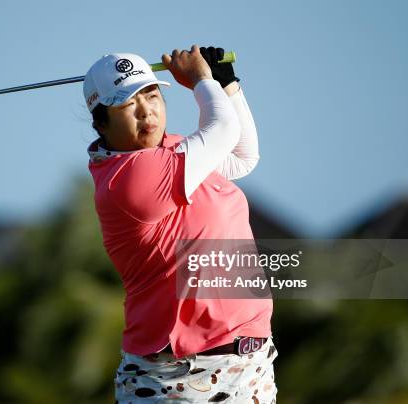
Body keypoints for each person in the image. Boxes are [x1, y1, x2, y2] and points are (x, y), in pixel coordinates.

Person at [83, 45, 278, 403]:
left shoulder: (172, 151)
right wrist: (201, 79)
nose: (146, 112)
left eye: (152, 95)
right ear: (100, 122)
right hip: (176, 379)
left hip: (249, 367)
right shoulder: (127, 178)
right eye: (128, 104)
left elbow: (241, 156)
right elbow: (222, 128)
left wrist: (226, 83)